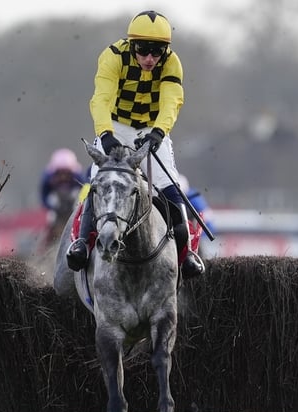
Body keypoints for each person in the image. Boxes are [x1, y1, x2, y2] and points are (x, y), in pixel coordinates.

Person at [66, 10, 205, 279]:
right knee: (99, 180)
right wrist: (105, 133)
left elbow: (171, 102)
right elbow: (101, 99)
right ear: (132, 45)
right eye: (143, 49)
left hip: (152, 129)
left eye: (158, 51)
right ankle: (82, 244)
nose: (150, 58)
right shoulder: (113, 56)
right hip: (116, 124)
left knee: (171, 186)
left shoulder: (172, 63)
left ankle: (186, 253)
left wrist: (159, 133)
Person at [39, 148, 87, 214]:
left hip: (73, 196)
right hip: (56, 197)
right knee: (52, 206)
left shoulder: (77, 176)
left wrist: (81, 204)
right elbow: (44, 194)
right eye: (60, 172)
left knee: (76, 197)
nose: (63, 177)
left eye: (66, 172)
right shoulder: (49, 176)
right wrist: (50, 206)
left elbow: (85, 189)